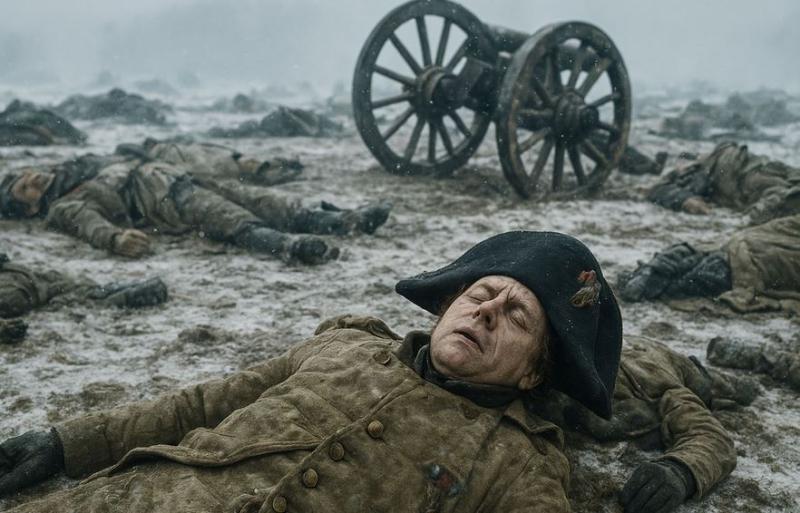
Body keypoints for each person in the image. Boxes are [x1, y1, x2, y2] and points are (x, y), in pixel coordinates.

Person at [0, 231, 622, 512]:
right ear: (445, 306)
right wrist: (65, 443)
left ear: (533, 375)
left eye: (516, 317)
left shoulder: (518, 467)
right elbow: (200, 406)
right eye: (480, 294)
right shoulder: (344, 348)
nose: (485, 313)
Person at [0, 144, 391, 265]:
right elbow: (89, 225)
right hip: (162, 199)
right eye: (24, 190)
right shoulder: (64, 206)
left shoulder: (79, 164)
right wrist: (116, 239)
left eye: (26, 175)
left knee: (258, 198)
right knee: (227, 217)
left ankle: (343, 221)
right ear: (30, 209)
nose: (32, 180)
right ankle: (291, 246)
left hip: (175, 174)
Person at [531, 335, 757, 513]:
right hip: (639, 349)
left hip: (667, 366)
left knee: (741, 390)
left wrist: (680, 470)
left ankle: (736, 361)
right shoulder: (569, 356)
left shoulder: (660, 390)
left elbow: (712, 437)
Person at [618, 213, 800, 314]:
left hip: (749, 263)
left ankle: (649, 279)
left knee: (698, 274)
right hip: (741, 249)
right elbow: (779, 226)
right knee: (690, 259)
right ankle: (650, 275)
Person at [0, 252, 168, 343]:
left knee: (79, 290)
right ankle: (125, 296)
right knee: (77, 298)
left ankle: (118, 293)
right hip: (19, 287)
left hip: (23, 277)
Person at [647, 142, 800, 223]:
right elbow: (659, 190)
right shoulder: (696, 173)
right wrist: (686, 200)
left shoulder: (699, 170)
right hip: (746, 170)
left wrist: (686, 200)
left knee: (775, 195)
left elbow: (658, 189)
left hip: (740, 172)